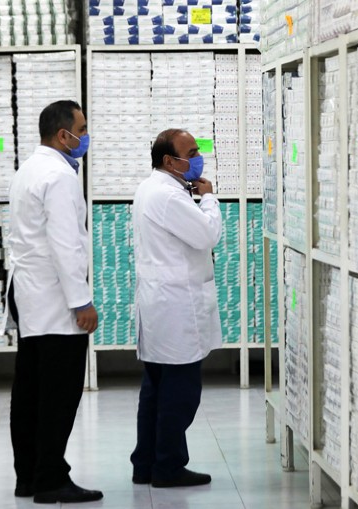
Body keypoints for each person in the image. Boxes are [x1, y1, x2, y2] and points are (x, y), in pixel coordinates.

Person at [3, 100, 102, 504]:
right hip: (55, 300)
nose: (85, 136)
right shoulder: (60, 176)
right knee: (58, 395)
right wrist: (82, 302)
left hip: (29, 295)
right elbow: (65, 245)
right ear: (65, 135)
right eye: (82, 128)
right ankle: (50, 479)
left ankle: (27, 476)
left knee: (29, 390)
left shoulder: (29, 168)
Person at [129, 128, 223, 488]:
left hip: (161, 305)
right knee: (180, 393)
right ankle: (167, 466)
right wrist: (210, 199)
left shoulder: (153, 187)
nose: (198, 157)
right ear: (169, 160)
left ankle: (146, 463)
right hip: (176, 306)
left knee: (155, 389)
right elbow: (206, 235)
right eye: (191, 151)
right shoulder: (169, 196)